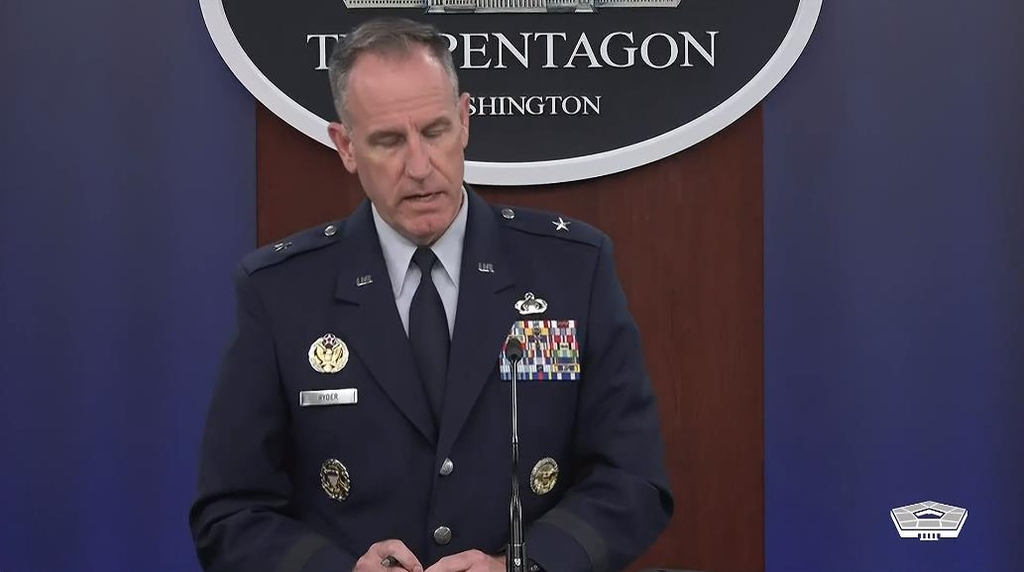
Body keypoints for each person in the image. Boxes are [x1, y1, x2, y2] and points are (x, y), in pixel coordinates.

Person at [189, 17, 673, 572]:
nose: (419, 167)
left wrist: (524, 565)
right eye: (389, 141)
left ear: (464, 121)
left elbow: (633, 478)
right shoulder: (281, 292)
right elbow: (230, 512)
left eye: (435, 131)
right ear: (346, 146)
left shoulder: (570, 271)